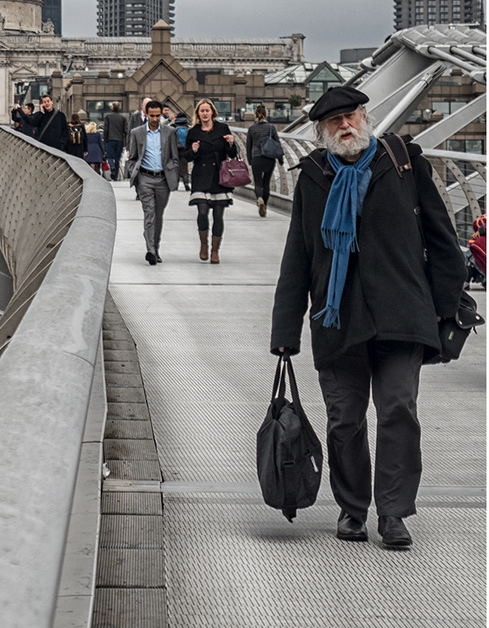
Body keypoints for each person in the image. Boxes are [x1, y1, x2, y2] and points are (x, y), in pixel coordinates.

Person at [271, 86, 465, 550]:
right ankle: (353, 508)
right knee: (345, 419)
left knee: (399, 408)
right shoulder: (314, 176)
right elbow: (297, 258)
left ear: (365, 116)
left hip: (402, 313)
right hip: (338, 319)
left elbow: (443, 242)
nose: (345, 126)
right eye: (334, 121)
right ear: (320, 132)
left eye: (352, 116)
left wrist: (442, 309)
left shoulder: (402, 163)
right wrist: (285, 331)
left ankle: (394, 512)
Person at [122, 99, 179, 265]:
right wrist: (135, 174)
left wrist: (172, 171)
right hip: (145, 178)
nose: (154, 119)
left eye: (157, 115)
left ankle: (156, 247)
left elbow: (175, 157)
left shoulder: (169, 132)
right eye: (151, 115)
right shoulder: (136, 133)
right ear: (145, 114)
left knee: (158, 215)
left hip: (163, 179)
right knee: (149, 214)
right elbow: (132, 157)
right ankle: (150, 250)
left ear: (161, 114)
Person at [183, 98, 238, 263]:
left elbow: (233, 154)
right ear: (198, 114)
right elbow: (186, 157)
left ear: (212, 112)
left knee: (219, 215)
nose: (205, 114)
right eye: (202, 111)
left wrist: (231, 143)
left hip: (219, 178)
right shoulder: (193, 132)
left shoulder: (222, 128)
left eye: (207, 110)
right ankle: (203, 244)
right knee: (202, 212)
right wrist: (193, 150)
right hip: (201, 176)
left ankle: (215, 250)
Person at [247, 106, 282, 216]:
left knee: (258, 182)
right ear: (266, 114)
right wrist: (280, 159)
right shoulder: (271, 128)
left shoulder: (252, 129)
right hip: (269, 158)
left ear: (256, 115)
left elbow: (248, 146)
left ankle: (259, 199)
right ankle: (264, 206)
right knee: (266, 182)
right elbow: (277, 144)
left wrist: (250, 160)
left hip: (256, 157)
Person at [103, 102, 129, 179]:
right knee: (117, 158)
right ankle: (116, 176)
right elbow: (126, 131)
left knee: (110, 156)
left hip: (110, 139)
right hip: (119, 140)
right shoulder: (123, 118)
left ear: (112, 108)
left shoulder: (108, 117)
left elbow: (106, 129)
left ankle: (112, 166)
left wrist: (105, 139)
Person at [172, 111, 192, 190]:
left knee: (176, 166)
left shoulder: (173, 127)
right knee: (184, 166)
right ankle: (186, 182)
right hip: (185, 149)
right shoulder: (188, 128)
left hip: (175, 149)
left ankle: (175, 184)